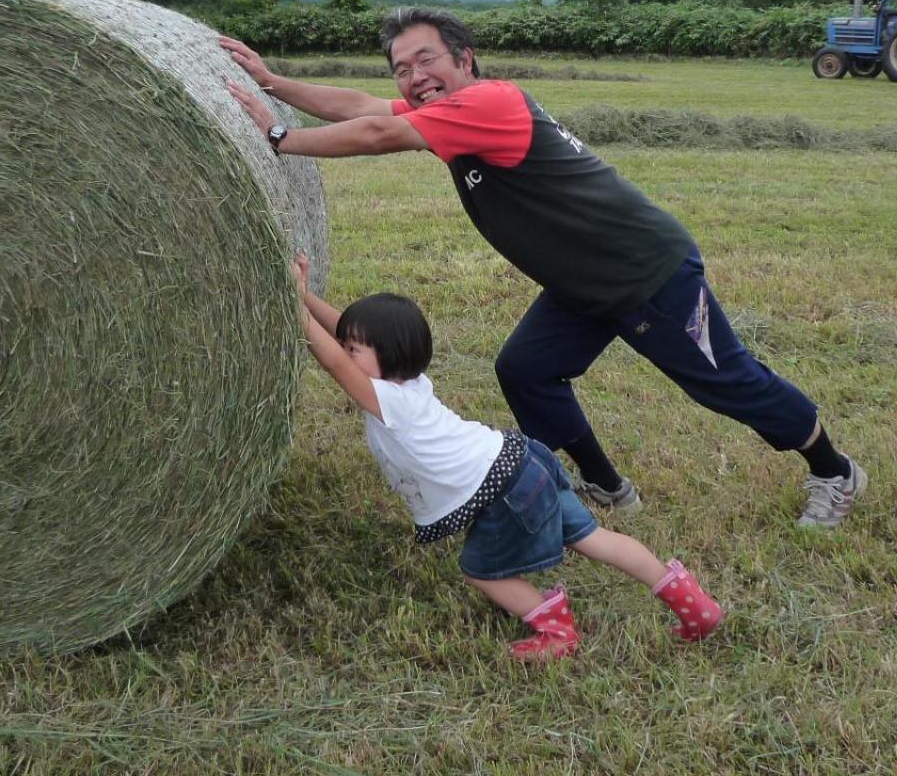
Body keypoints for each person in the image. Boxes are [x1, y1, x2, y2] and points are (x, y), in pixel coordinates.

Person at [222, 7, 867, 529]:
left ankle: (834, 470)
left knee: (729, 383)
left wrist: (280, 139)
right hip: (581, 283)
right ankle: (607, 486)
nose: (413, 76)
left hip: (644, 270)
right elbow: (363, 107)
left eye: (427, 59)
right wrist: (274, 84)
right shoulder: (446, 111)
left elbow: (374, 135)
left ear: (464, 59)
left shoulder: (491, 101)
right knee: (526, 369)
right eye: (401, 68)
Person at [289, 252, 723, 661]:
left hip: (502, 491)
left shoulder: (387, 400)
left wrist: (297, 310)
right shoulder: (407, 384)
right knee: (593, 539)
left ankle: (557, 631)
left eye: (354, 349)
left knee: (483, 571)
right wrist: (304, 296)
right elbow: (345, 333)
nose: (345, 349)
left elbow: (331, 359)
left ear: (387, 357)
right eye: (348, 345)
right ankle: (691, 602)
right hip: (522, 460)